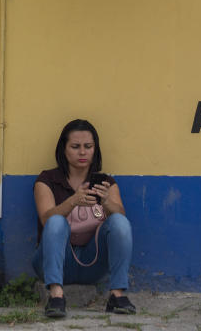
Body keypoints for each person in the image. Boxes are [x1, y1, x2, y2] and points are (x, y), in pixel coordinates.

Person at [32, 118, 136, 318]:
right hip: (53, 262)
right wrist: (73, 201)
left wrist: (106, 202)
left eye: (88, 147)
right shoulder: (46, 180)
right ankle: (56, 296)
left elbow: (121, 220)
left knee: (120, 221)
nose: (82, 152)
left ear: (95, 149)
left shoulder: (106, 183)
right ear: (64, 149)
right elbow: (46, 220)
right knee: (55, 220)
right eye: (75, 146)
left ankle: (117, 295)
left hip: (92, 263)